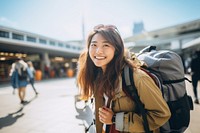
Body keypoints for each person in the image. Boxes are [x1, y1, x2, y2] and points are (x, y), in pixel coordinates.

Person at [76, 24, 171, 133]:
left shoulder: (137, 78)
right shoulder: (98, 76)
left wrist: (115, 119)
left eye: (106, 45)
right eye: (94, 45)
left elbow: (161, 114)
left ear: (116, 49)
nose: (98, 51)